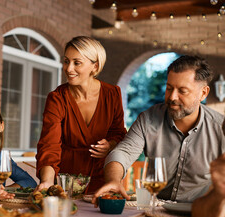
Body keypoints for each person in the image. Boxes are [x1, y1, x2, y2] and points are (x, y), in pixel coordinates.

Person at [93, 55, 225, 205]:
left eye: (183, 91)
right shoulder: (148, 119)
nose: (172, 97)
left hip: (198, 214)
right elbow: (122, 153)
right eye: (169, 88)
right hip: (154, 210)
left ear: (203, 93)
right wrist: (114, 180)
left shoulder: (221, 128)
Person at [36, 36, 127, 193]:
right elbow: (49, 145)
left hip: (102, 177)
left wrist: (110, 145)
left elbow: (118, 133)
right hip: (67, 181)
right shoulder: (57, 98)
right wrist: (47, 181)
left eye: (77, 63)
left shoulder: (112, 94)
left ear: (95, 66)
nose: (69, 68)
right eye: (66, 61)